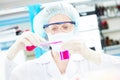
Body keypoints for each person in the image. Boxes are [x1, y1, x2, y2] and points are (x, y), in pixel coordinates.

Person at [6, 2, 120, 80]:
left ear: (74, 29)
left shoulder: (90, 61)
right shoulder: (32, 68)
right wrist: (11, 55)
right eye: (54, 28)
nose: (60, 32)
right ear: (45, 33)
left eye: (65, 27)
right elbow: (10, 77)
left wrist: (91, 55)